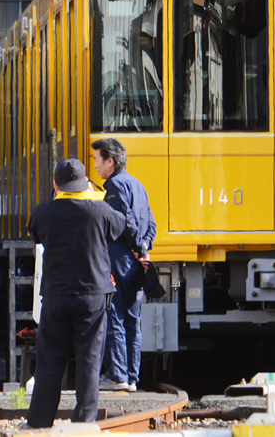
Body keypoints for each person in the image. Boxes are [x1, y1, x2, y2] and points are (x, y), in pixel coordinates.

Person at [26, 159, 125, 429]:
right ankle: (83, 424)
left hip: (56, 296)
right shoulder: (101, 211)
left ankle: (38, 423)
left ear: (56, 185)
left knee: (49, 363)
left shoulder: (42, 213)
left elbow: (35, 234)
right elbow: (120, 226)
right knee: (90, 362)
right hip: (93, 296)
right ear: (85, 184)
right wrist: (94, 195)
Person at [92, 138, 156, 393]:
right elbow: (151, 224)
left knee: (114, 316)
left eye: (97, 159)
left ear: (111, 161)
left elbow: (124, 221)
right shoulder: (138, 185)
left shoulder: (114, 186)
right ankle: (131, 377)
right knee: (133, 319)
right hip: (138, 265)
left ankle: (117, 374)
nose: (95, 165)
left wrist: (137, 247)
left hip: (118, 260)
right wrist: (145, 250)